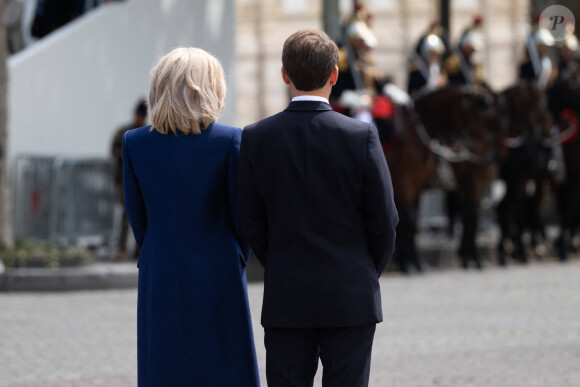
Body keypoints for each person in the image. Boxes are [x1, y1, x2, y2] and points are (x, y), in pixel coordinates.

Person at [239, 30, 398, 386]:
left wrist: (281, 260)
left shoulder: (255, 137)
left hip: (287, 293)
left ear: (284, 74)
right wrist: (365, 269)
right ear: (335, 75)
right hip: (351, 293)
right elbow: (385, 220)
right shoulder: (361, 137)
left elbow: (251, 219)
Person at [122, 47, 259, 386]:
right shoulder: (230, 141)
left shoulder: (135, 143)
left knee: (164, 366)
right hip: (219, 268)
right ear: (208, 88)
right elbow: (243, 217)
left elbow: (138, 219)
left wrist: (158, 250)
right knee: (225, 366)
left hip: (160, 269)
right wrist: (234, 255)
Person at [111, 99, 147, 260]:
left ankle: (139, 249)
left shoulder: (148, 132)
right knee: (127, 215)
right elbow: (114, 151)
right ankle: (122, 249)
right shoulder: (125, 132)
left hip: (143, 180)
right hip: (126, 178)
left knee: (144, 214)